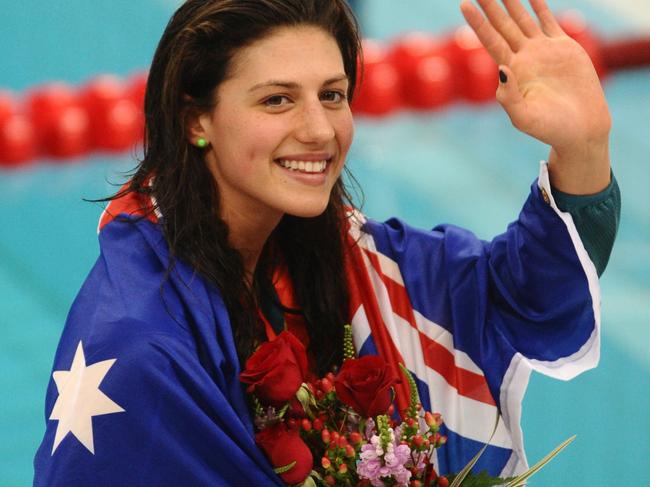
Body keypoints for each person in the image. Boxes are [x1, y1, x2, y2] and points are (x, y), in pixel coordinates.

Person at [34, 0, 620, 484]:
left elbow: (516, 302)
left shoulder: (334, 252)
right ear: (196, 120)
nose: (319, 131)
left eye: (333, 95)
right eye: (277, 99)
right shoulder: (144, 350)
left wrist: (584, 148)